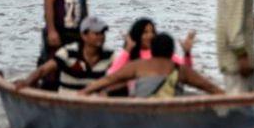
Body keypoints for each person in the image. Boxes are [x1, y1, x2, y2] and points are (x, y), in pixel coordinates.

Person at [80, 33, 223, 98]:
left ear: (152, 50)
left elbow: (107, 80)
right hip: (172, 113)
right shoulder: (180, 70)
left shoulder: (138, 66)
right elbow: (209, 87)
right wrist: (229, 97)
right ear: (171, 51)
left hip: (141, 112)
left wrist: (82, 93)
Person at [16, 16, 114, 93]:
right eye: (97, 34)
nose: (101, 37)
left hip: (94, 104)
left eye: (103, 33)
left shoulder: (109, 55)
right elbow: (43, 70)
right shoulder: (68, 52)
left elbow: (120, 75)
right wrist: (26, 82)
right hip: (67, 102)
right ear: (84, 35)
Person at [108, 18, 195, 74]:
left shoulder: (161, 53)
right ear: (137, 34)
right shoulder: (129, 55)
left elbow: (186, 71)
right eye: (145, 32)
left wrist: (187, 53)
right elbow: (111, 74)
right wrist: (127, 50)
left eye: (152, 32)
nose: (150, 36)